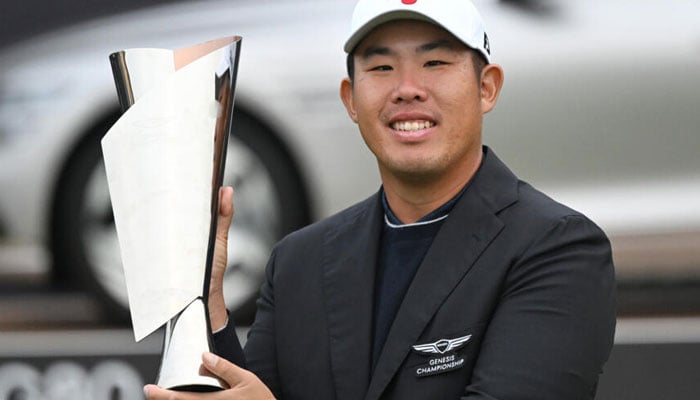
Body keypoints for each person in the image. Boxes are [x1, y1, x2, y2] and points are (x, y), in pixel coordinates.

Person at [145, 0, 616, 398]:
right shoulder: (299, 262)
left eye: (435, 63)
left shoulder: (557, 250)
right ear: (351, 99)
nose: (407, 89)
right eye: (381, 67)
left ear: (486, 87)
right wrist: (203, 305)